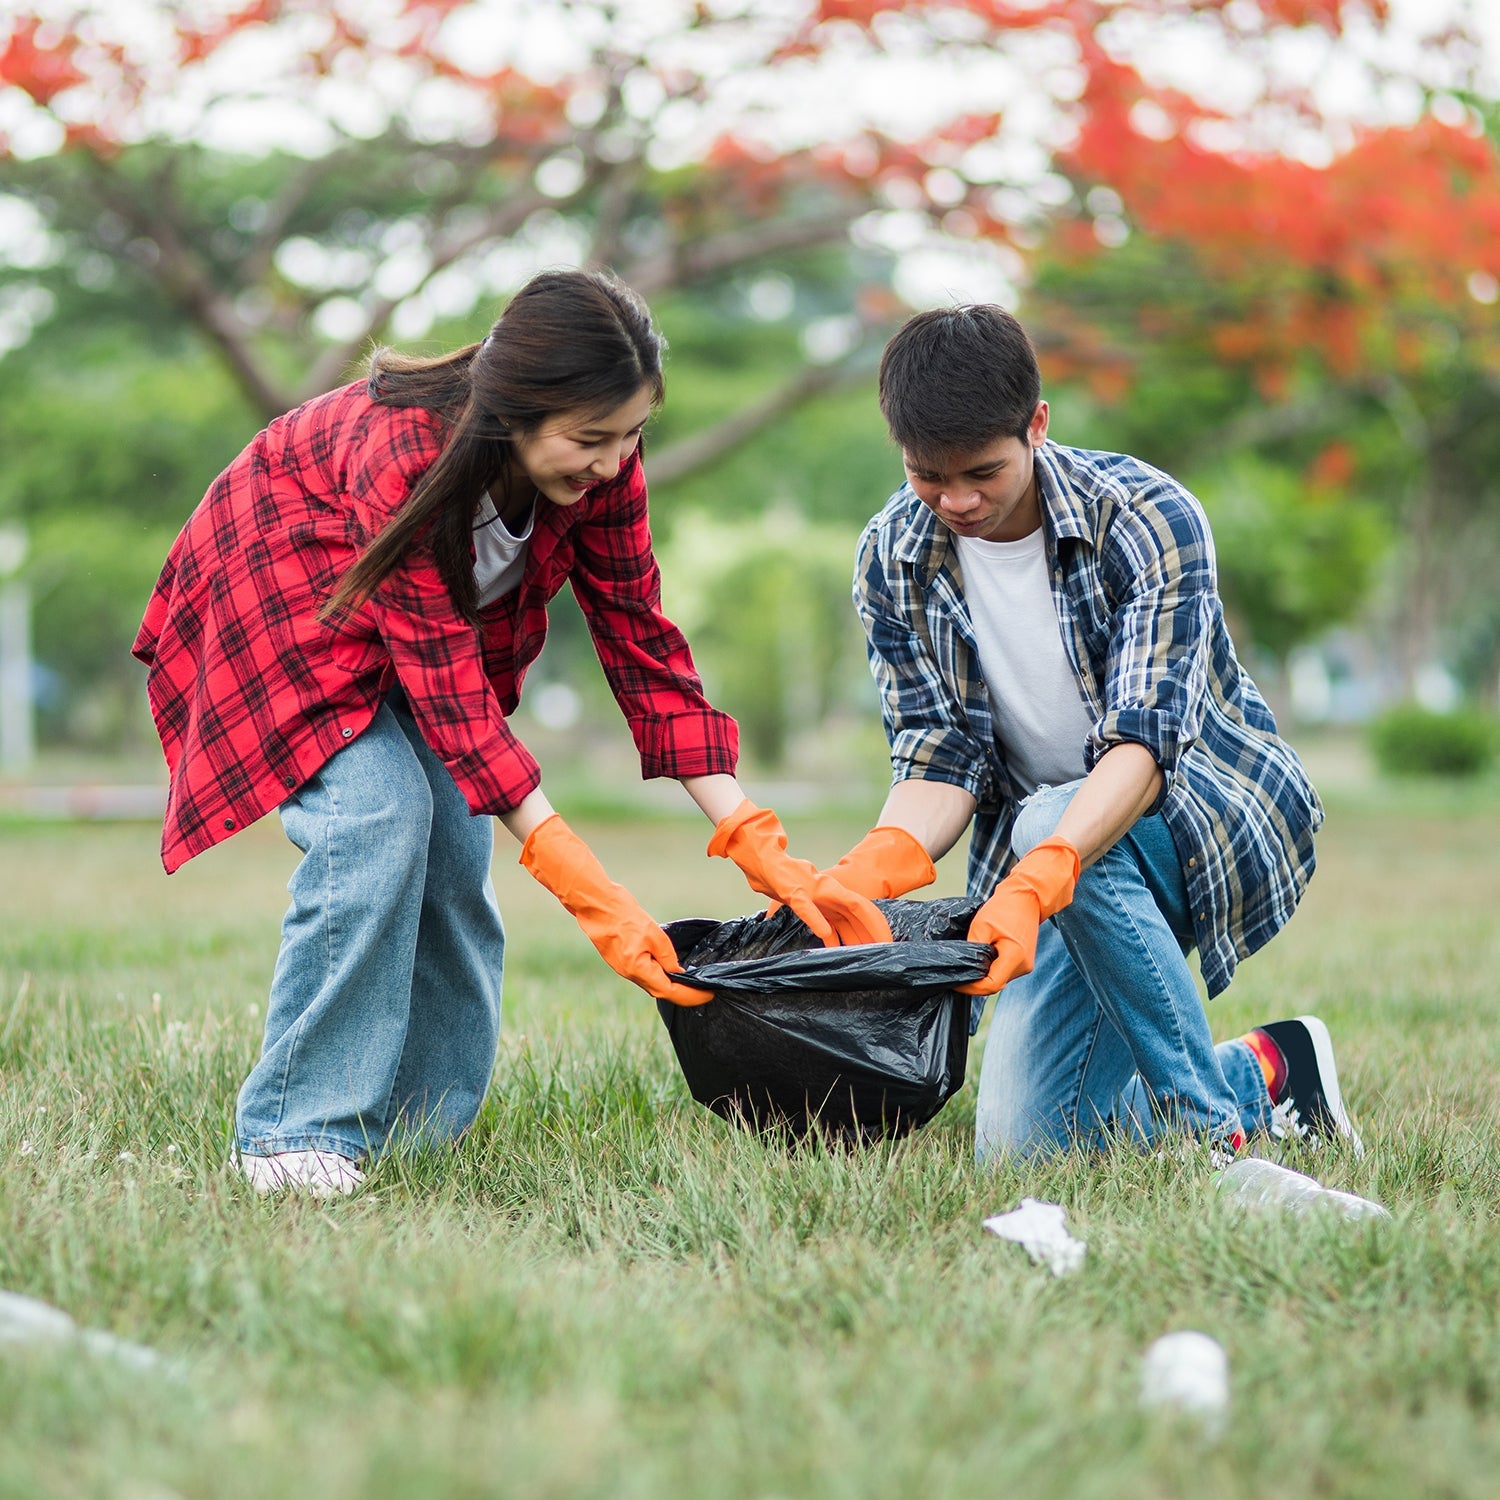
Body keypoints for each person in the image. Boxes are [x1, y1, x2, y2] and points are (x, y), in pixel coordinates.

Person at [133, 267, 889, 1198]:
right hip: (288, 609)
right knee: (379, 818)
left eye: (633, 434)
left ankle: (415, 1135)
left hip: (428, 643)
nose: (612, 464)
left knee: (453, 861)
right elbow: (446, 683)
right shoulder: (403, 448)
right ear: (513, 415)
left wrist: (753, 839)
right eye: (589, 440)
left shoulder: (604, 465)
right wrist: (584, 884)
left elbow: (641, 639)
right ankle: (296, 1131)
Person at [815, 303, 1361, 1162]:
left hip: (1199, 823)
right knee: (1025, 1148)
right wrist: (869, 871)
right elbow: (938, 753)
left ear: (1036, 425)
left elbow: (1145, 749)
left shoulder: (1147, 516)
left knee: (1044, 821)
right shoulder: (892, 552)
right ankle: (1266, 1072)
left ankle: (1213, 1130)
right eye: (929, 475)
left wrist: (1050, 863)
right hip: (1051, 868)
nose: (956, 500)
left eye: (982, 472)